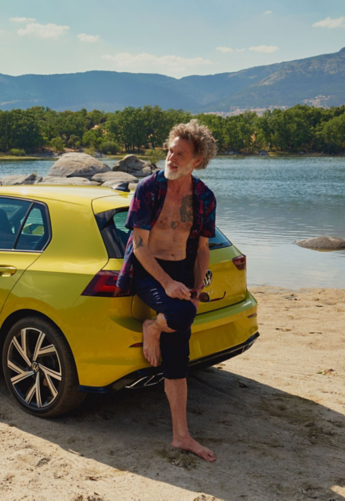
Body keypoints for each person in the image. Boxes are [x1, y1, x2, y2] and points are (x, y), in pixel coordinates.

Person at [116, 120, 218, 462]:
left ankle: (181, 436)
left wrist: (193, 288)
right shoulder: (148, 189)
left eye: (181, 154)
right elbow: (139, 246)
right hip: (149, 270)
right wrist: (168, 284)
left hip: (180, 271)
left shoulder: (204, 197)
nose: (172, 158)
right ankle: (153, 326)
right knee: (180, 313)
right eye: (170, 151)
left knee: (179, 358)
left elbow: (202, 250)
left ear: (197, 161)